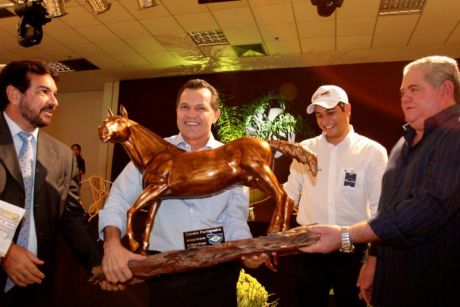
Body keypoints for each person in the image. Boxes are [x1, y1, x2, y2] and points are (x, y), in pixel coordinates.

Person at [301, 55, 460, 307]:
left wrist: (346, 235)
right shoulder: (403, 143)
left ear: (446, 90)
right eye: (402, 91)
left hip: (434, 283)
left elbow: (428, 207)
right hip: (393, 278)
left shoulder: (454, 137)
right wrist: (373, 263)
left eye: (414, 89)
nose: (405, 97)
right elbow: (387, 210)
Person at [98, 79, 253, 306]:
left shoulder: (232, 158)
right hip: (166, 274)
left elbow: (234, 219)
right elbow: (118, 200)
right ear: (177, 111)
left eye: (200, 107)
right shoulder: (152, 155)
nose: (191, 114)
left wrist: (248, 250)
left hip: (217, 272)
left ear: (216, 114)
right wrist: (111, 244)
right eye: (184, 107)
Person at [0, 60, 102, 306]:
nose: (54, 102)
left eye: (55, 94)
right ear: (14, 94)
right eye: (43, 91)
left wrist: (97, 264)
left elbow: (72, 218)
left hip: (35, 282)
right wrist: (4, 250)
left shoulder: (63, 155)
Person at [279, 85, 388, 307]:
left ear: (347, 109)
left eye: (330, 113)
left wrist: (373, 260)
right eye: (319, 115)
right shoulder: (305, 149)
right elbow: (290, 193)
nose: (324, 120)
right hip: (309, 248)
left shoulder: (372, 152)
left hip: (352, 249)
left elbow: (380, 211)